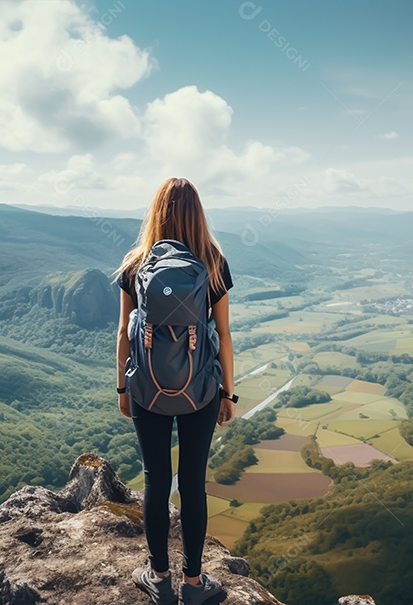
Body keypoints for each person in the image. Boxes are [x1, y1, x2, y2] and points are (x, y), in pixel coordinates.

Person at [114, 177, 236, 604]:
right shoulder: (212, 262)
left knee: (155, 480)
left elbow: (123, 334)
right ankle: (194, 584)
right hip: (200, 388)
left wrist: (122, 387)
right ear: (197, 214)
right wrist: (227, 393)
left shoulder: (136, 264)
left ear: (156, 212)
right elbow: (222, 332)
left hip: (146, 386)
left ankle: (159, 578)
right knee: (193, 483)